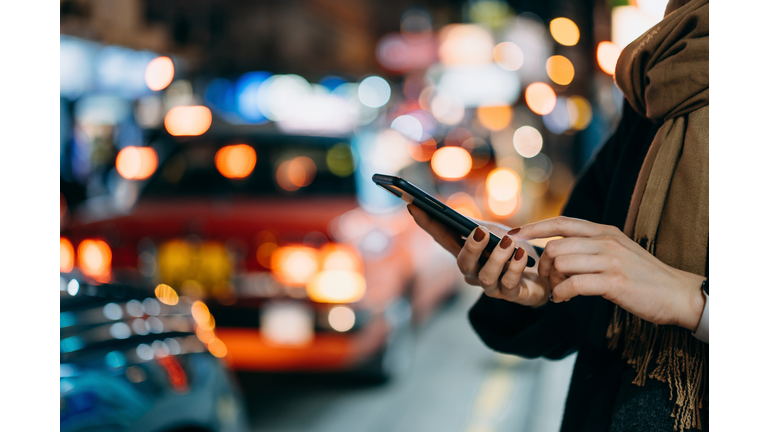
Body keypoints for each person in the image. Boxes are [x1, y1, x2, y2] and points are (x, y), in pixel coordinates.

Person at [407, 0, 709, 430]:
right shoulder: (657, 81)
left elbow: (656, 287)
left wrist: (695, 301)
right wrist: (544, 287)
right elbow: (596, 305)